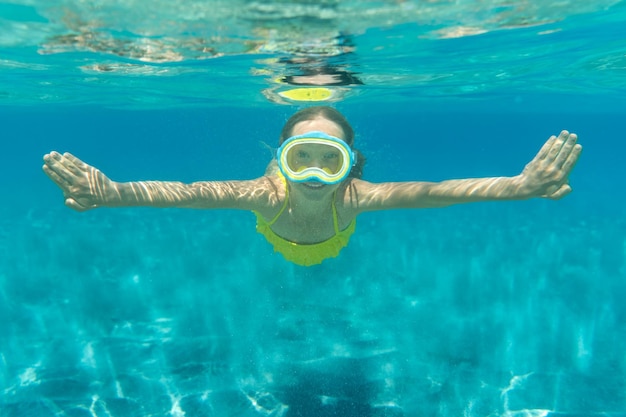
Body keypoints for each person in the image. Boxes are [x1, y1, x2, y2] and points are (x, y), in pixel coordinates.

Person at [42, 106, 582, 266]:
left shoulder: (359, 198)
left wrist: (519, 185)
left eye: (332, 160)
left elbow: (439, 189)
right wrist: (111, 192)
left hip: (333, 243)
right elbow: (185, 190)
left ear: (351, 166)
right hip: (274, 238)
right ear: (279, 163)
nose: (316, 174)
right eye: (303, 158)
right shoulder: (260, 195)